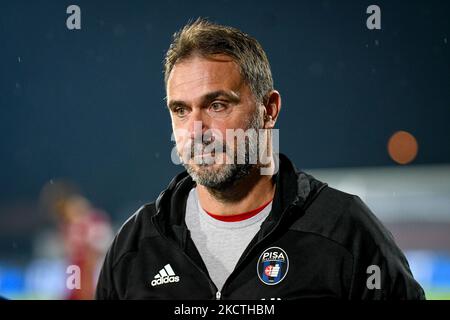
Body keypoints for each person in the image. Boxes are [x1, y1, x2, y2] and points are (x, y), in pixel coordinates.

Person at [96, 18, 425, 300]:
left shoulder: (345, 231)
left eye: (217, 105)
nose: (196, 130)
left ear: (269, 110)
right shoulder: (137, 245)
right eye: (181, 110)